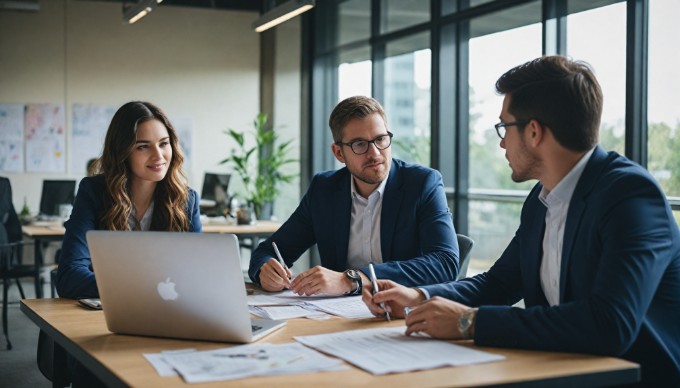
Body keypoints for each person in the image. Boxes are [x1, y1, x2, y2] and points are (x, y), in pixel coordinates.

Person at [364, 56, 680, 386]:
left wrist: (469, 323)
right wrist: (419, 298)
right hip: (557, 370)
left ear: (533, 132)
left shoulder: (629, 196)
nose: (501, 141)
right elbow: (499, 283)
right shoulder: (541, 199)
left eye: (504, 127)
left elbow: (609, 325)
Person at [249, 95, 459, 296]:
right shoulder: (324, 190)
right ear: (339, 153)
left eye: (381, 139)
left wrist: (353, 279)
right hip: (334, 317)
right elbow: (267, 252)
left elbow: (445, 263)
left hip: (398, 315)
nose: (375, 153)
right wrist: (264, 271)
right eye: (360, 144)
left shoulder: (422, 184)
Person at [56, 101, 202, 299]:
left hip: (164, 314)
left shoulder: (186, 200)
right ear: (122, 152)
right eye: (143, 147)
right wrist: (143, 288)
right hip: (105, 316)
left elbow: (198, 276)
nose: (158, 156)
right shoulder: (94, 192)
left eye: (164, 143)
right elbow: (69, 277)